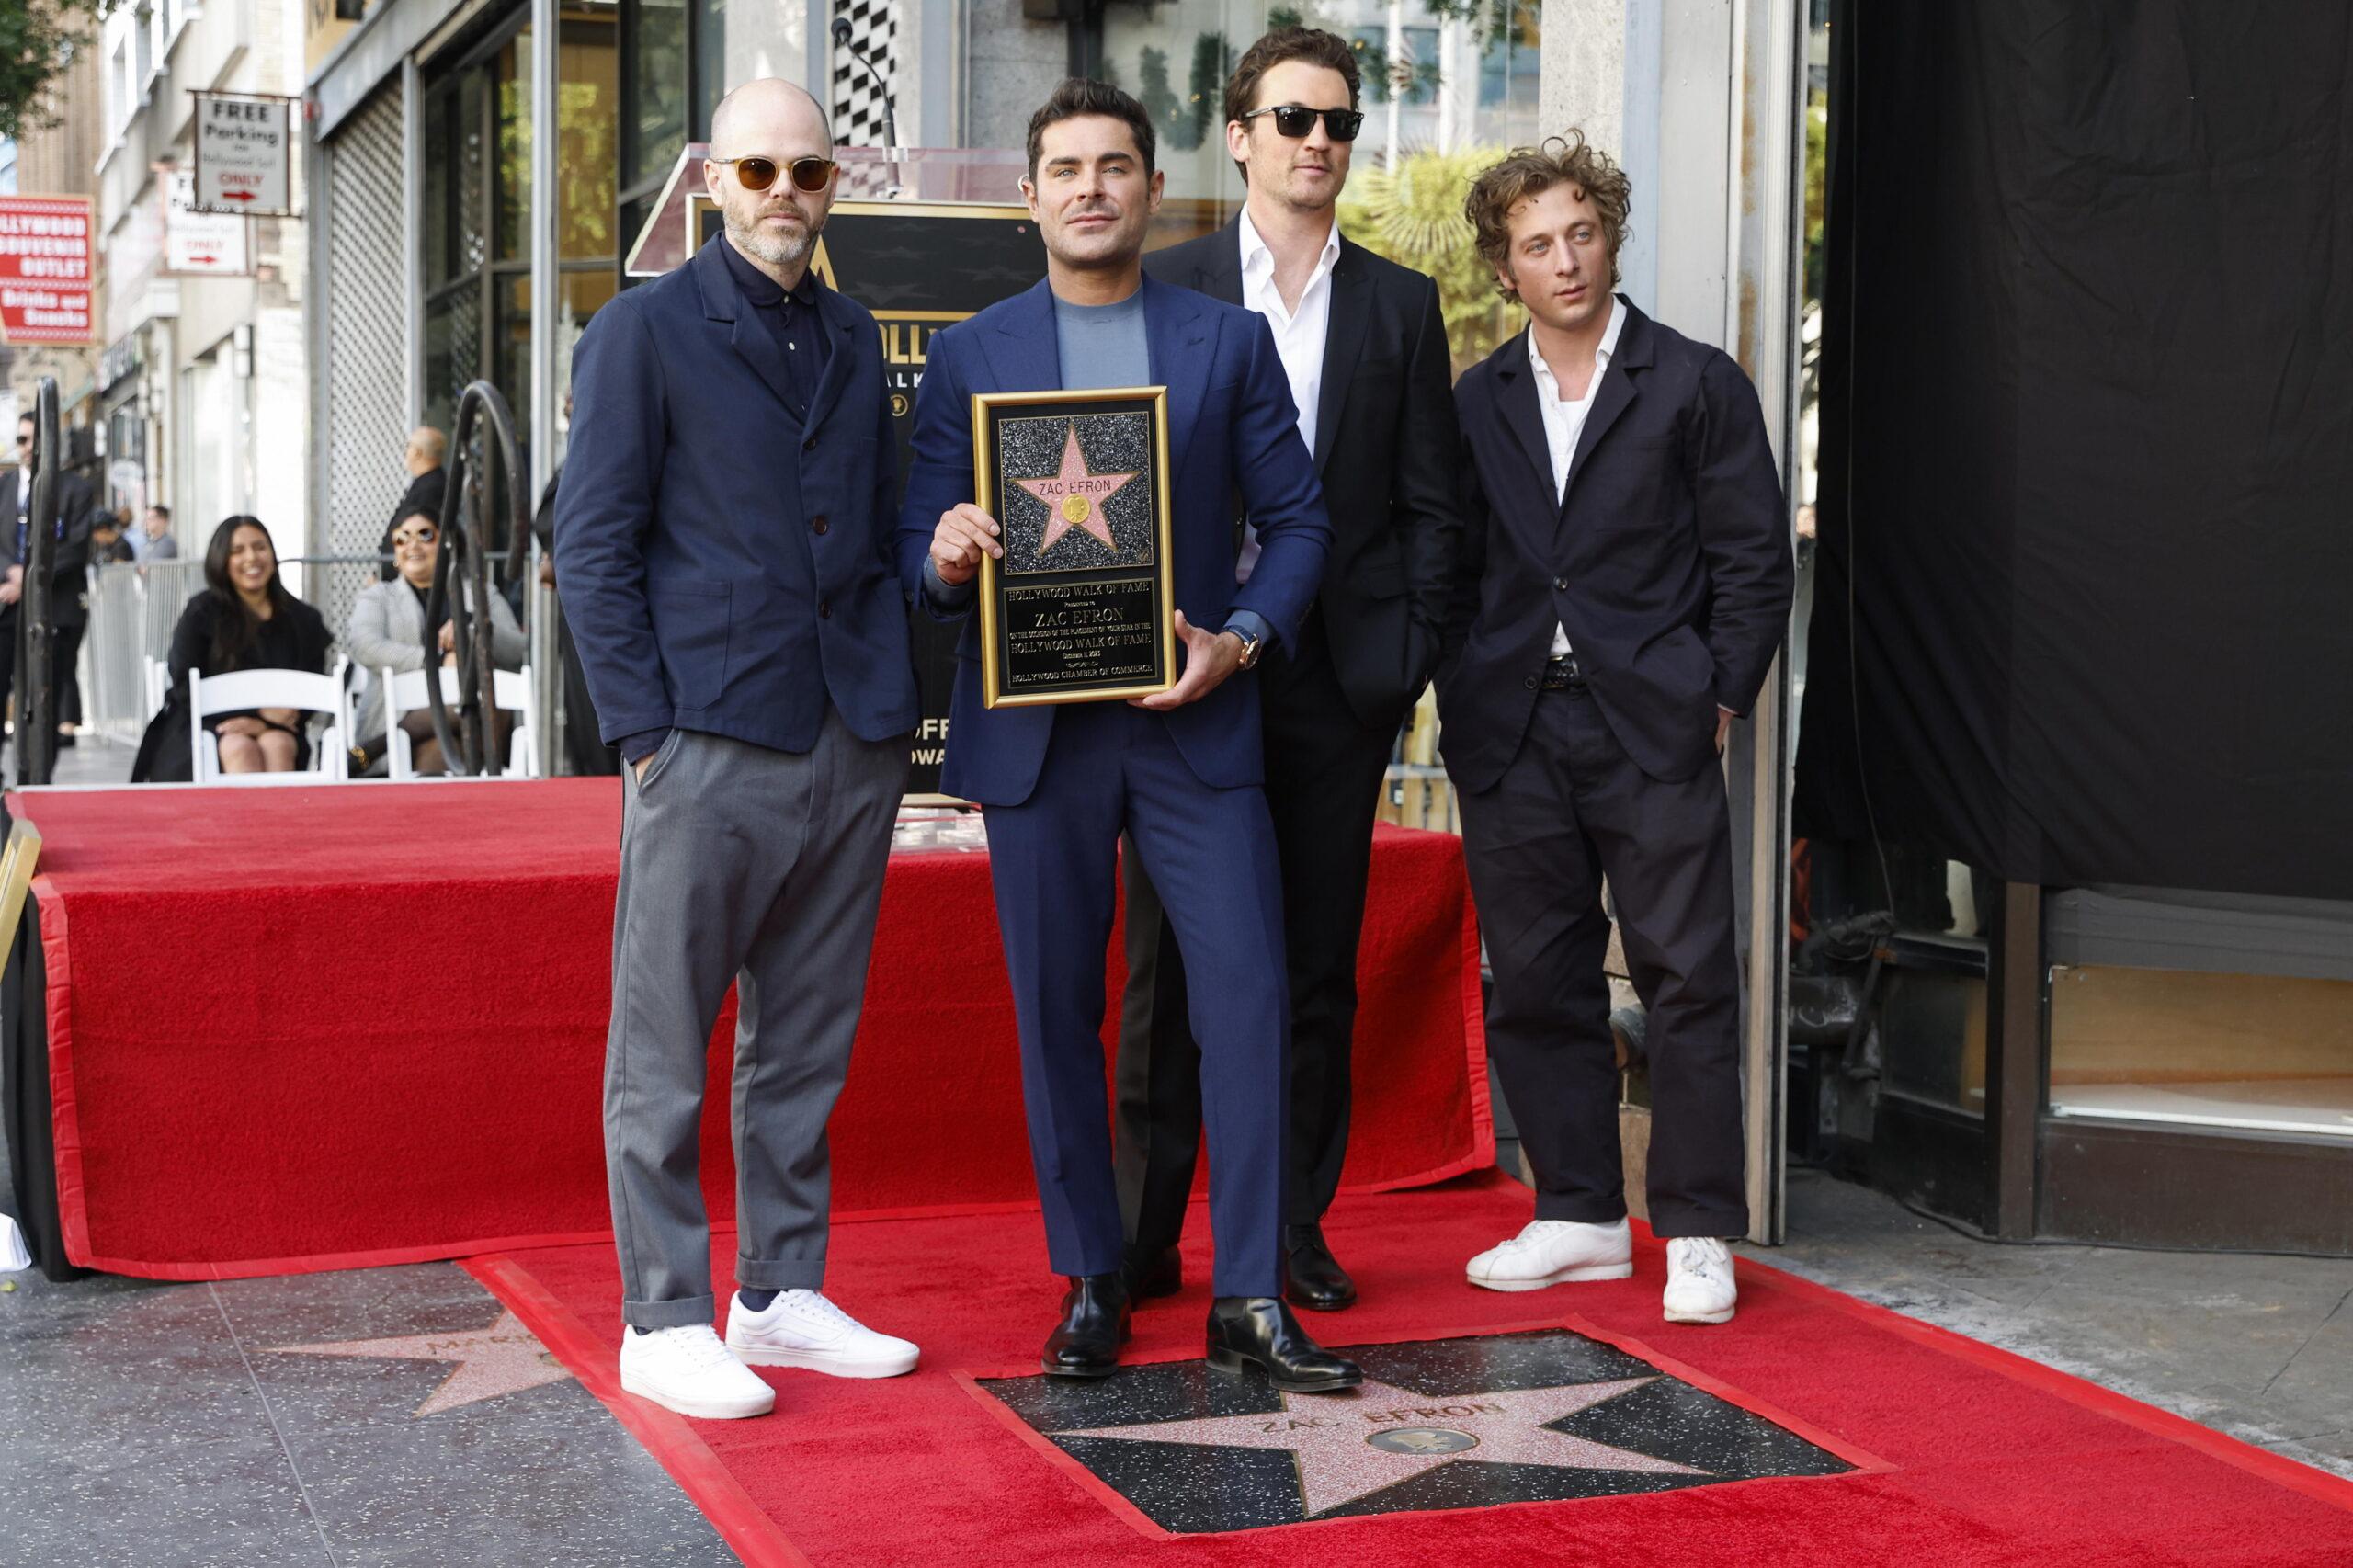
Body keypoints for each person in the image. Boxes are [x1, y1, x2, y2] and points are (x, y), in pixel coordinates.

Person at [900, 79, 1358, 1392]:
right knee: (1056, 1011)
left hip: (1192, 720)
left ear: (1156, 190)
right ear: (1031, 196)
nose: (1092, 187)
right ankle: (1092, 1277)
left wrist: (1243, 637)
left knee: (1250, 997)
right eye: (1066, 168)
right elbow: (920, 541)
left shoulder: (1223, 343)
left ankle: (1252, 1290)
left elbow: (1304, 522)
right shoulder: (974, 354)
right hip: (1038, 734)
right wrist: (944, 549)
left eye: (1116, 166)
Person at [557, 77, 921, 1422]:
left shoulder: (852, 327)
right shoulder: (644, 332)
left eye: (807, 174)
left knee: (806, 1040)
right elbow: (590, 546)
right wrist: (644, 732)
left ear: (835, 187)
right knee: (661, 1045)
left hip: (851, 731)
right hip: (705, 735)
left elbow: (875, 527)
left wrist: (924, 591)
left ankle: (777, 1292)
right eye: (758, 171)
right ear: (713, 178)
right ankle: (662, 1313)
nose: (783, 195)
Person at [1113, 28, 1463, 1314]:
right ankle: (1145, 1235)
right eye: (1297, 118)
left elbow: (1437, 507)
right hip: (1189, 672)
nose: (1321, 141)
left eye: (1341, 122)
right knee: (1166, 970)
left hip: (1336, 682)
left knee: (1317, 966)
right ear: (1242, 132)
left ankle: (1290, 1230)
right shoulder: (1169, 285)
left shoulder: (1401, 308)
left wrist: (1403, 660)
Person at [1440, 135, 1793, 1324]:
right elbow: (1455, 565)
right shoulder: (1478, 398)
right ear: (1506, 267)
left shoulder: (1695, 382)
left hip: (1654, 721)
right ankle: (1580, 1210)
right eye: (1538, 244)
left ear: (1610, 236)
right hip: (1512, 728)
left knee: (1687, 975)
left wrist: (1720, 694)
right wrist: (1460, 681)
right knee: (1536, 977)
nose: (1567, 259)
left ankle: (1695, 1225)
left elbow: (1755, 564)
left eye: (1582, 232)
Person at [137, 516, 332, 777]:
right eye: (237, 551)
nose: (251, 558)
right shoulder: (201, 613)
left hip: (279, 728)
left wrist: (262, 724)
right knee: (239, 747)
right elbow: (184, 682)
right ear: (221, 560)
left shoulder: (303, 619)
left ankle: (280, 819)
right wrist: (257, 713)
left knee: (278, 744)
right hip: (206, 726)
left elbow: (311, 686)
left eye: (260, 547)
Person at [345, 510, 527, 774]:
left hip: (479, 721)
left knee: (475, 710)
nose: (413, 545)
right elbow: (366, 647)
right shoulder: (379, 596)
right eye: (401, 538)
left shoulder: (480, 592)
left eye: (425, 535)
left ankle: (378, 746)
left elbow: (515, 649)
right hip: (401, 715)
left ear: (449, 543)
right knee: (443, 747)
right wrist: (438, 662)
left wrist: (473, 625)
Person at [1, 413, 97, 765]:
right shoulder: (5, 487)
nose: (29, 448)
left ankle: (41, 776)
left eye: (35, 440)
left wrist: (28, 579)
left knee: (47, 697)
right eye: (22, 440)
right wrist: (9, 573)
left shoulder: (77, 489)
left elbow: (74, 546)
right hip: (7, 608)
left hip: (56, 607)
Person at [376, 427, 448, 581]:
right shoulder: (429, 483)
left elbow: (414, 530)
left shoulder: (430, 488)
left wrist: (392, 569)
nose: (406, 452)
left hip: (409, 575)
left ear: (417, 452)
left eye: (408, 446)